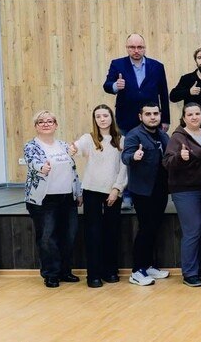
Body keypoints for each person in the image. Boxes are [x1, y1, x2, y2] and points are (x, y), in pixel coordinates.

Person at [23, 110, 82, 288]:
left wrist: (78, 192)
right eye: (41, 122)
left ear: (56, 125)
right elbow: (32, 161)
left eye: (50, 121)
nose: (46, 124)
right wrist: (42, 167)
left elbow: (73, 170)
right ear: (36, 126)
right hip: (44, 200)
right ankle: (51, 274)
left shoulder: (63, 145)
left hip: (67, 198)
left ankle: (65, 271)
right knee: (47, 238)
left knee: (69, 236)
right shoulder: (31, 146)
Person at [71, 104, 127, 288]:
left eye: (105, 115)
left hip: (113, 192)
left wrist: (116, 189)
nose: (102, 119)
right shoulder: (89, 139)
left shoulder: (121, 140)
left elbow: (124, 168)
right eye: (98, 116)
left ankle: (110, 271)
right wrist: (72, 149)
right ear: (94, 120)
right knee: (93, 234)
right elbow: (76, 147)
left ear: (111, 117)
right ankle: (93, 275)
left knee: (111, 233)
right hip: (92, 191)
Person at [163, 102, 201, 287]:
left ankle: (196, 266)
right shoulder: (178, 138)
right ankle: (189, 273)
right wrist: (179, 158)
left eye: (197, 114)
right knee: (192, 230)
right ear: (184, 118)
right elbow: (167, 162)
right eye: (190, 114)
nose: (194, 117)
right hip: (185, 190)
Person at [121, 102, 172, 286]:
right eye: (148, 114)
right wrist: (133, 157)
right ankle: (137, 271)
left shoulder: (163, 135)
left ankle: (148, 265)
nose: (152, 117)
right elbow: (125, 156)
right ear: (140, 117)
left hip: (161, 190)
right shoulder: (134, 135)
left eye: (155, 114)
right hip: (143, 191)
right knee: (145, 229)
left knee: (154, 228)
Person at [103, 33, 170, 133]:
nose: (136, 51)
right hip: (126, 119)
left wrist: (165, 120)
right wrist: (115, 85)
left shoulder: (157, 66)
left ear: (145, 48)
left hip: (151, 119)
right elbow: (106, 85)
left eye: (140, 47)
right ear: (127, 48)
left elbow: (164, 94)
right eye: (132, 47)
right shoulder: (117, 64)